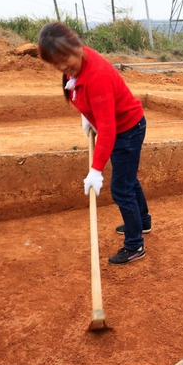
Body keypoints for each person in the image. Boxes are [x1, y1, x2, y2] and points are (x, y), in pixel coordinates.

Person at [38, 21, 151, 264]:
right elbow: (80, 90)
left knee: (121, 189)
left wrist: (96, 170)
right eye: (56, 63)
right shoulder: (78, 63)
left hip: (127, 130)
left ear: (76, 45)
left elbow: (109, 129)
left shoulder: (96, 75)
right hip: (122, 127)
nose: (62, 66)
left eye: (65, 59)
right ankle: (143, 222)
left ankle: (135, 245)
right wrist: (88, 116)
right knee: (128, 179)